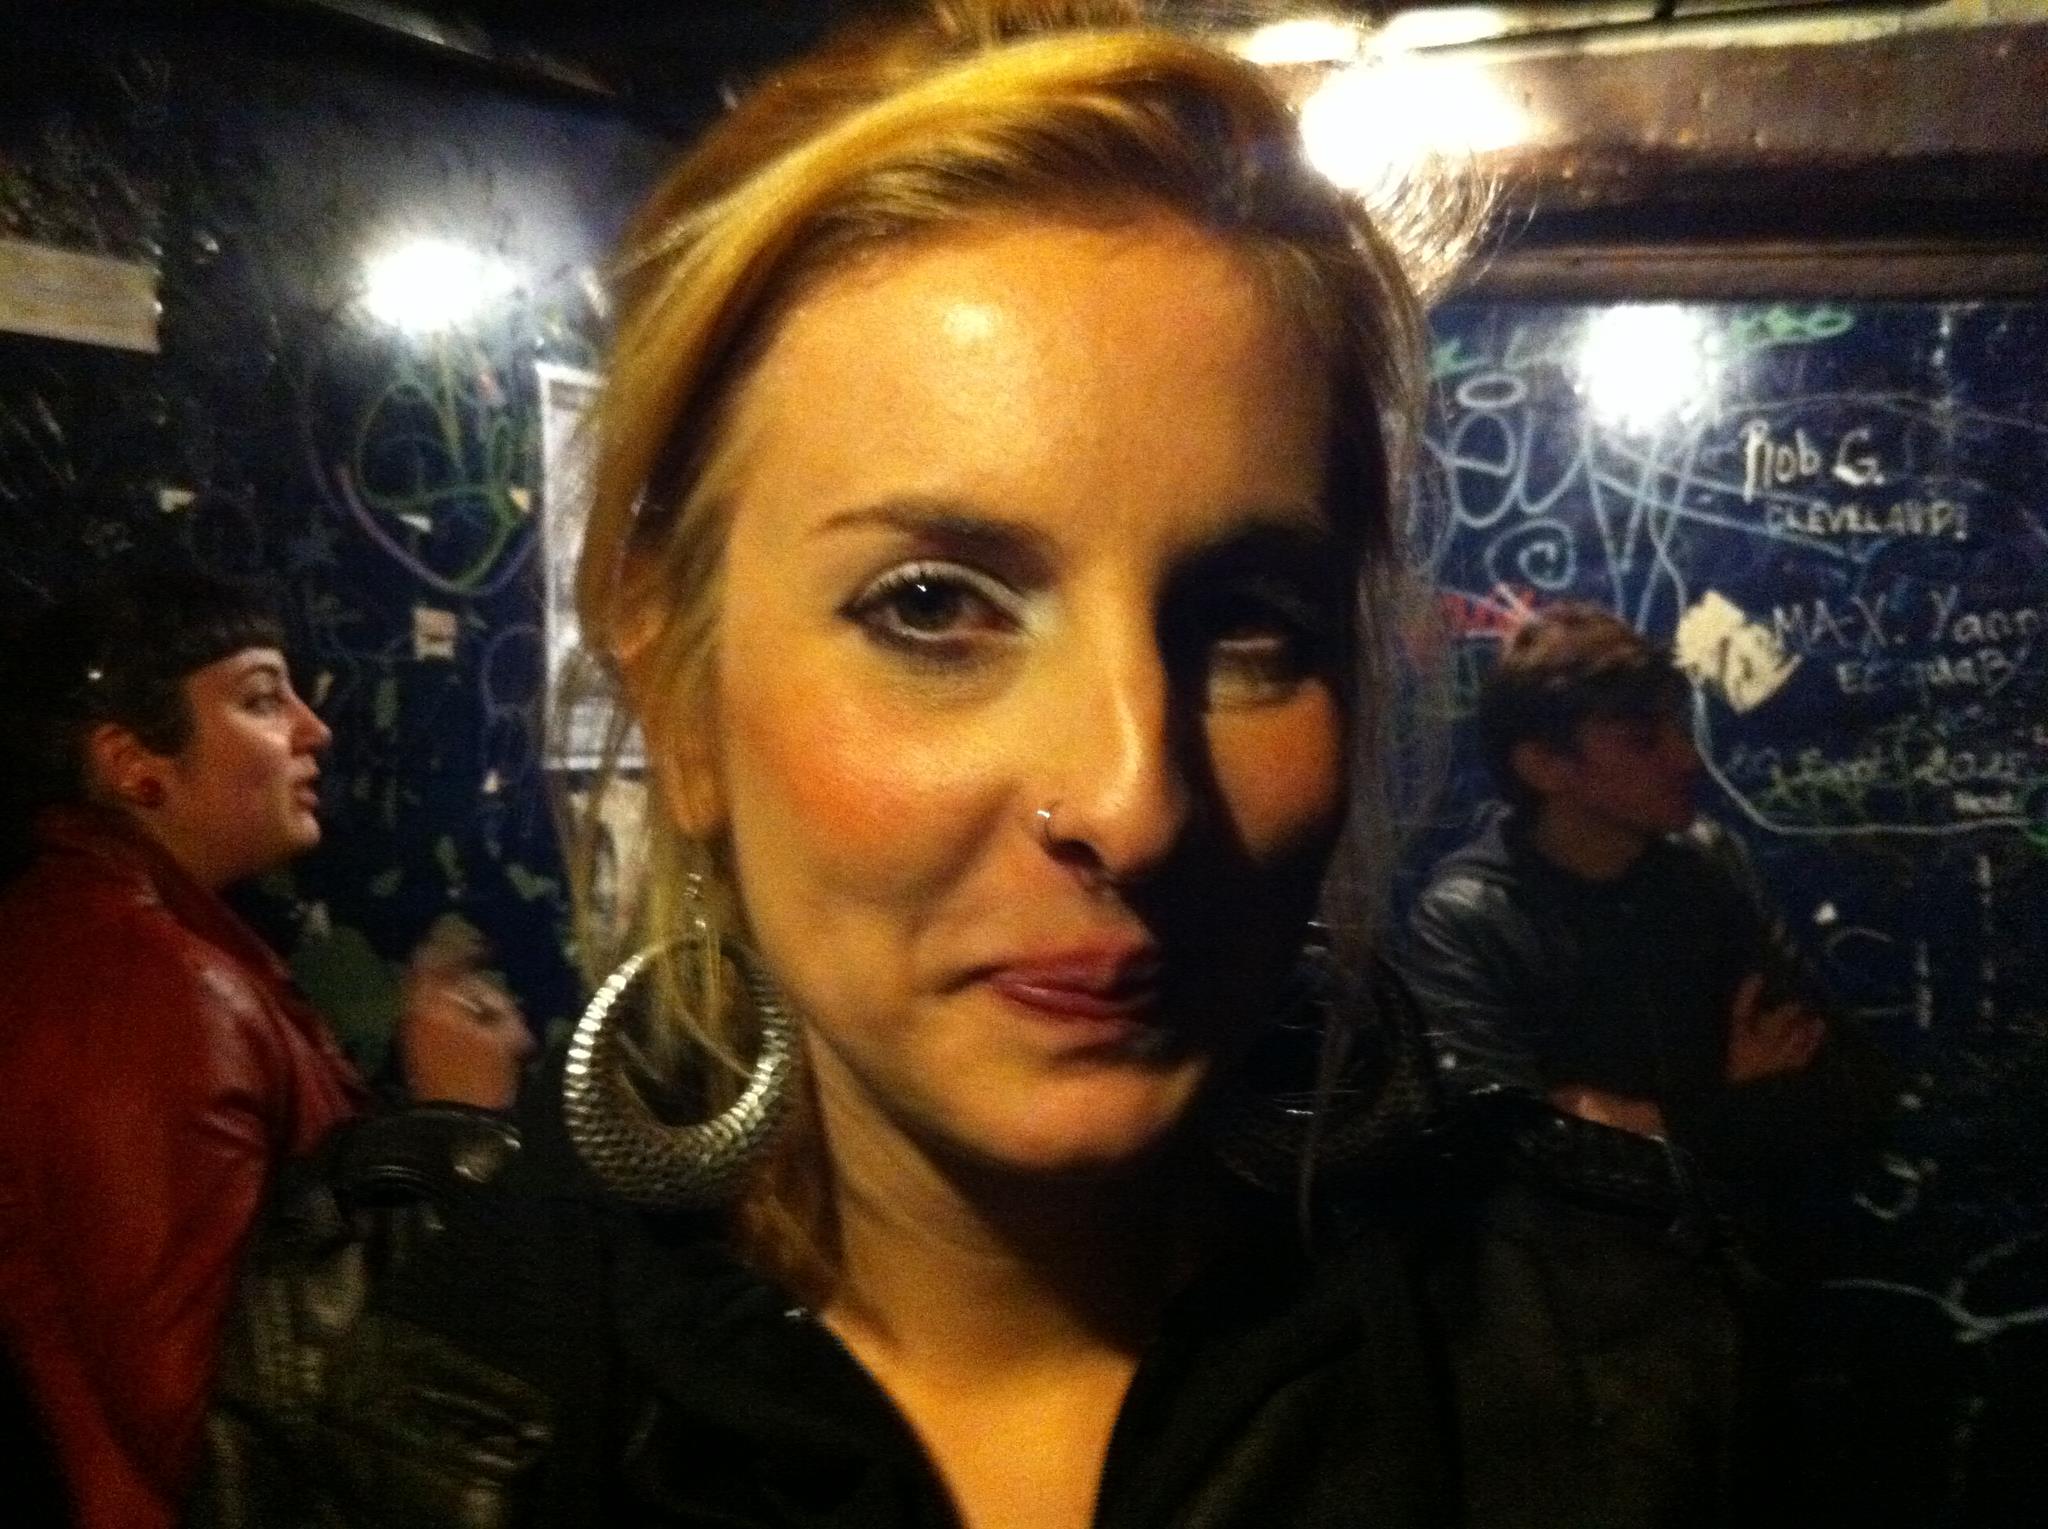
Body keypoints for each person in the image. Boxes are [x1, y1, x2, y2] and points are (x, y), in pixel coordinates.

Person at [197, 6, 1743, 1526]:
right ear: (676, 694)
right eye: (932, 606)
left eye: (1249, 624)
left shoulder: (1596, 1362)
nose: (1135, 803)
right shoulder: (402, 1374)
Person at [0, 569, 533, 1529]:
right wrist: (453, 1127)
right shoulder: (142, 984)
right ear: (133, 763)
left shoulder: (127, 941)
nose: (312, 728)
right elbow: (211, 1431)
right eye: (260, 698)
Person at [1403, 602, 1893, 1244]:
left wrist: (1628, 1118)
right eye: (1643, 740)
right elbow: (1505, 1159)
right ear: (1544, 766)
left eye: (1677, 728)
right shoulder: (1469, 919)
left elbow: (1843, 1082)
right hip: (1581, 1289)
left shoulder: (1707, 863)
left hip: (1738, 1268)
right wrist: (1735, 1107)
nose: (1687, 758)